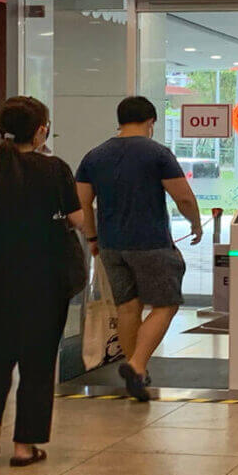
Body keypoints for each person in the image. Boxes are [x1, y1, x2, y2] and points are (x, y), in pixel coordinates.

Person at [0, 97, 84, 467]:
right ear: (41, 129)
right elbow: (76, 219)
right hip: (48, 278)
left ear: (2, 130)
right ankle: (24, 445)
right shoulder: (55, 169)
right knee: (38, 360)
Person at [76, 96, 203, 401]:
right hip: (151, 243)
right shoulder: (157, 153)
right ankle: (135, 364)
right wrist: (196, 224)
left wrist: (93, 238)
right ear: (150, 122)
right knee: (166, 304)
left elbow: (82, 202)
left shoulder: (94, 156)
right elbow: (183, 197)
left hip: (110, 245)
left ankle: (138, 375)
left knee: (127, 307)